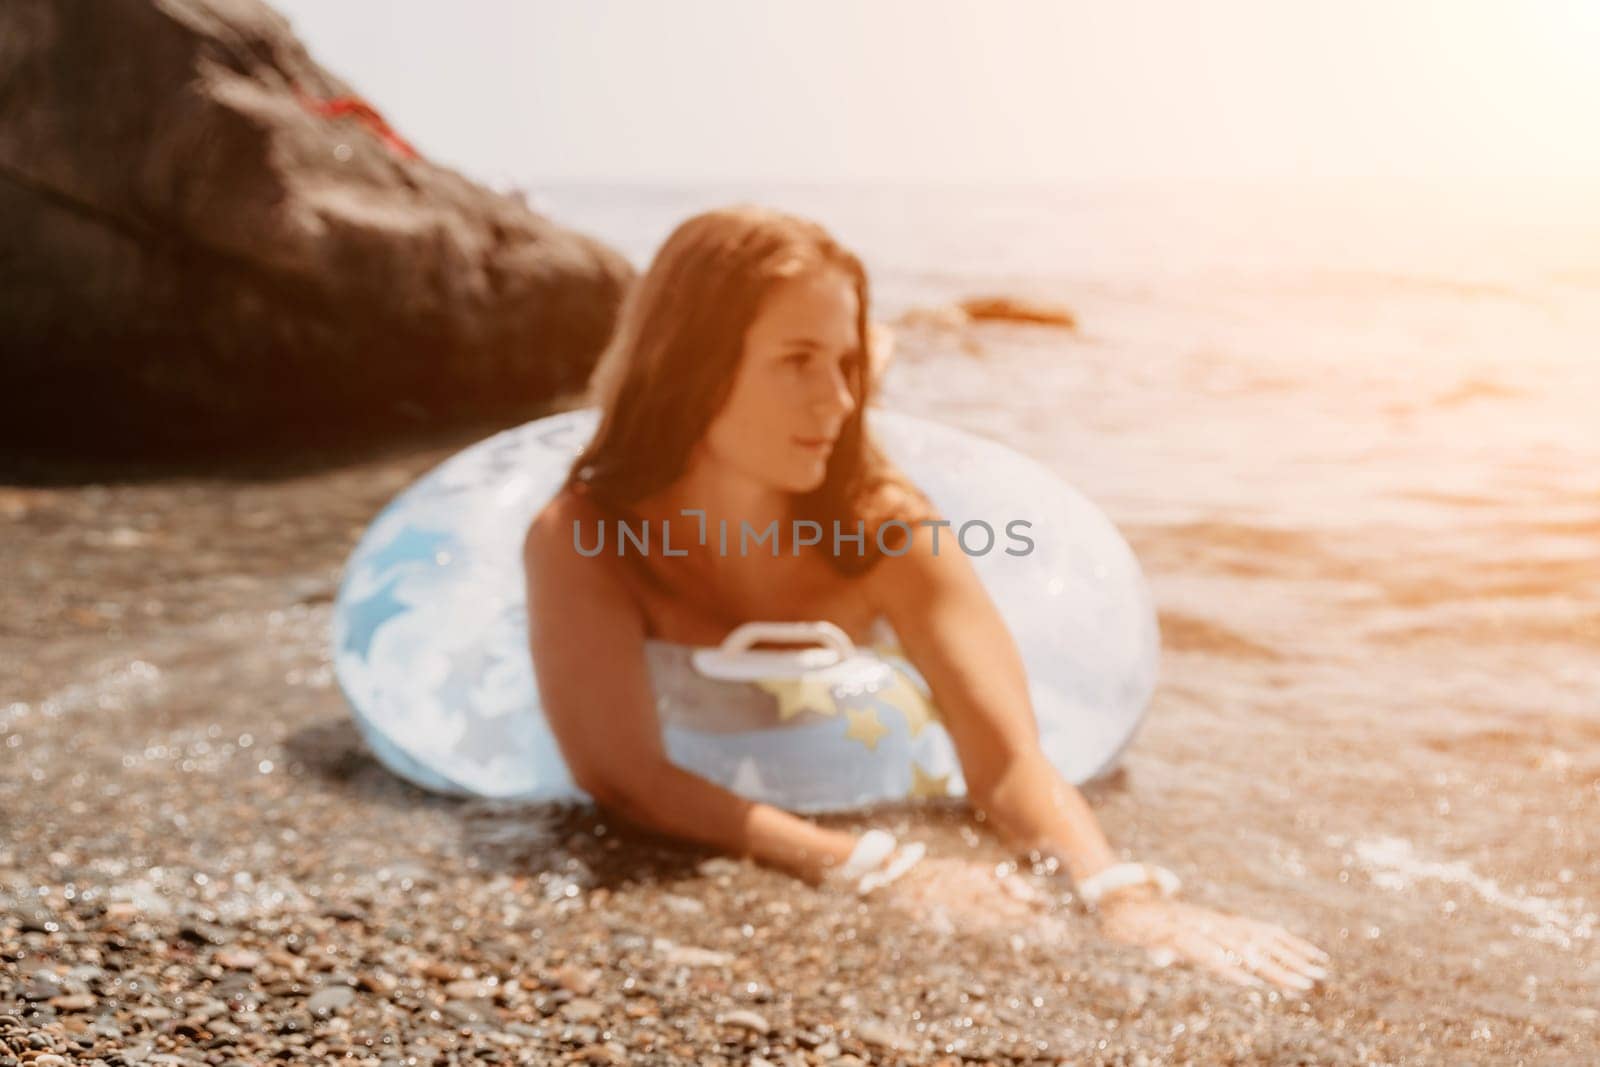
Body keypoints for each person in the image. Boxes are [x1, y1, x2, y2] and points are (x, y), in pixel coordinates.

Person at [523, 205, 1329, 993]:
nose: (837, 402)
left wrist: (1122, 894)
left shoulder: (885, 526)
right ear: (691, 365)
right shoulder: (586, 536)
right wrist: (880, 865)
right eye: (797, 359)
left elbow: (1006, 757)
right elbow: (623, 773)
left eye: (846, 364)